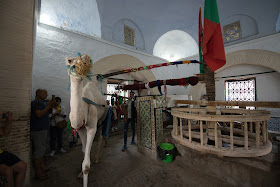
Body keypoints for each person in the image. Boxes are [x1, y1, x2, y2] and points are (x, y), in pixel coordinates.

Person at [30, 89, 56, 180]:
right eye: (44, 93)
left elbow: (46, 113)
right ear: (38, 94)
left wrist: (50, 106)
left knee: (42, 149)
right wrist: (48, 106)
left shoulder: (42, 103)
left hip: (43, 130)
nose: (46, 94)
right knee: (39, 151)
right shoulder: (36, 102)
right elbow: (38, 114)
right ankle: (38, 173)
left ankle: (43, 167)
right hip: (38, 130)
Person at [0, 112, 27, 187]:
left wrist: (9, 121)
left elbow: (5, 133)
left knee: (23, 166)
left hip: (1, 153)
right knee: (7, 171)